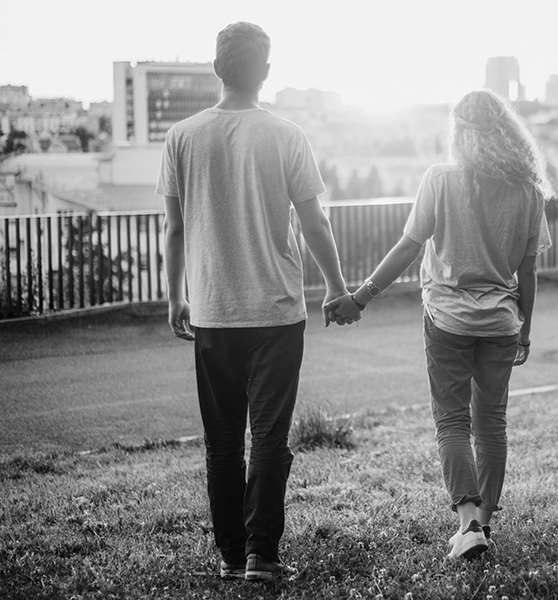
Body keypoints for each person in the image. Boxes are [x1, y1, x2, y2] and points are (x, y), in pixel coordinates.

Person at [158, 22, 356, 581]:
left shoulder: (182, 136)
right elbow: (314, 221)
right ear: (265, 72)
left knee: (222, 443)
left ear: (216, 69)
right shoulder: (287, 135)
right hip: (275, 313)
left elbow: (174, 230)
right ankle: (261, 557)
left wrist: (176, 298)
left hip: (213, 310)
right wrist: (337, 288)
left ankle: (228, 556)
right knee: (269, 437)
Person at [327, 89, 553, 559]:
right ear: (508, 131)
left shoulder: (440, 179)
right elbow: (527, 270)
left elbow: (409, 246)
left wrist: (361, 297)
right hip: (501, 322)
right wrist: (525, 330)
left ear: (459, 132)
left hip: (447, 319)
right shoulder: (528, 190)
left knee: (452, 421)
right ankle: (482, 528)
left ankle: (468, 524)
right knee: (491, 424)